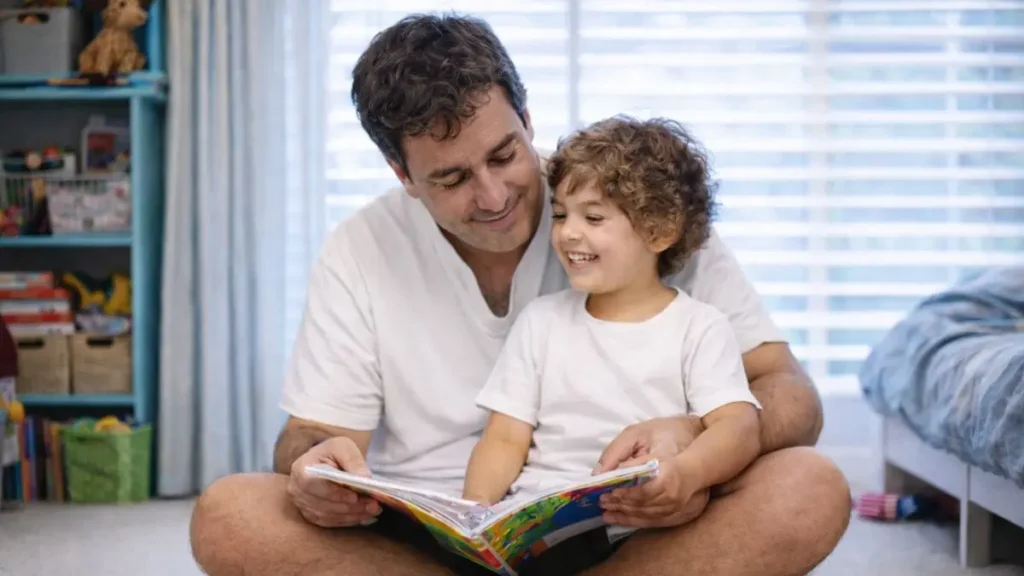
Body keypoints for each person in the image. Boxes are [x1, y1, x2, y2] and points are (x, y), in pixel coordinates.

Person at [189, 12, 851, 576]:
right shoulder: (360, 247)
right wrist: (315, 472)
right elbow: (312, 434)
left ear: (528, 118)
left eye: (505, 155)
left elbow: (789, 394)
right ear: (403, 174)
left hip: (628, 535)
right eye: (451, 178)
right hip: (432, 544)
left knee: (808, 489)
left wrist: (697, 443)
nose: (495, 196)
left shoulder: (630, 205)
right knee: (228, 516)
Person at [460, 116, 763, 574]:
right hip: (539, 526)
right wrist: (475, 515)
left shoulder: (698, 327)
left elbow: (738, 427)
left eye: (594, 217)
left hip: (639, 527)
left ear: (659, 232)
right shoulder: (541, 322)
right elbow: (504, 438)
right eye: (561, 214)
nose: (568, 232)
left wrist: (687, 474)